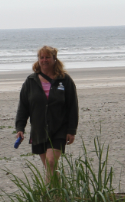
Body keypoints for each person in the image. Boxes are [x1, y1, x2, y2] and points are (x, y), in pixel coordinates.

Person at [15, 46, 79, 180]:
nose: (44, 60)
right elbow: (23, 106)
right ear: (38, 60)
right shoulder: (30, 81)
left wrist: (72, 130)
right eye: (41, 57)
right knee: (50, 167)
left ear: (54, 59)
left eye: (47, 57)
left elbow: (73, 106)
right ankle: (58, 195)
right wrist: (20, 127)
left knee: (51, 162)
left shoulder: (65, 80)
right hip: (39, 129)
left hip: (59, 129)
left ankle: (48, 194)